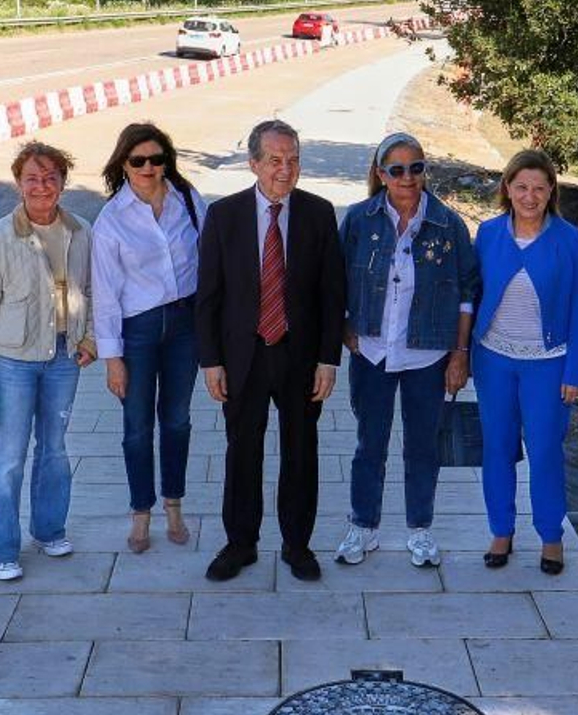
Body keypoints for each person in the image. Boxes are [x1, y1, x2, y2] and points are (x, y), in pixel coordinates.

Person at [197, 119, 346, 582]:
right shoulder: (225, 216)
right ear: (254, 164)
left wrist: (328, 358)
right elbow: (209, 296)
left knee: (301, 451)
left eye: (294, 159)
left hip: (299, 355)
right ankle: (240, 543)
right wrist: (211, 360)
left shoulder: (319, 213)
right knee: (243, 451)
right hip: (244, 355)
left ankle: (297, 545)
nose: (286, 169)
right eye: (276, 160)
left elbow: (332, 294)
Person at [335, 132, 478, 568]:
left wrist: (460, 353)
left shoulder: (448, 225)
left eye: (416, 167)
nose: (408, 177)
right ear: (381, 175)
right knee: (369, 445)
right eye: (396, 170)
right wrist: (344, 327)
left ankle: (420, 529)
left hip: (427, 356)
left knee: (423, 447)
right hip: (373, 353)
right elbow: (336, 278)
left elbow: (467, 292)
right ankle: (364, 526)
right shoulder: (359, 220)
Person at [0, 141, 96, 581]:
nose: (42, 186)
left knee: (55, 450)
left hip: (63, 355)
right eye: (32, 179)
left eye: (50, 177)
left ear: (63, 182)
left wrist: (90, 338)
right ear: (19, 183)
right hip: (14, 362)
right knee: (9, 456)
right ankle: (0, 549)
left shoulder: (80, 230)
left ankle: (49, 529)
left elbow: (92, 291)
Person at [471, 150, 578, 575]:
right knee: (497, 448)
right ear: (507, 188)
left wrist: (576, 371)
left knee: (545, 452)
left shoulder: (569, 239)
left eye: (539, 188)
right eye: (521, 186)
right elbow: (473, 295)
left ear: (551, 192)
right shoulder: (487, 234)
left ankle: (550, 535)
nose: (530, 195)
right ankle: (501, 530)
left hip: (549, 365)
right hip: (494, 361)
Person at [91, 123, 207, 553]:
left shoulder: (189, 202)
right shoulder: (111, 220)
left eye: (156, 159)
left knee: (176, 420)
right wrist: (112, 358)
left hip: (184, 326)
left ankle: (173, 504)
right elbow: (105, 294)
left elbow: (211, 260)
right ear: (123, 164)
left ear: (166, 162)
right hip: (136, 331)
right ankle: (141, 513)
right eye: (138, 160)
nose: (148, 167)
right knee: (137, 427)